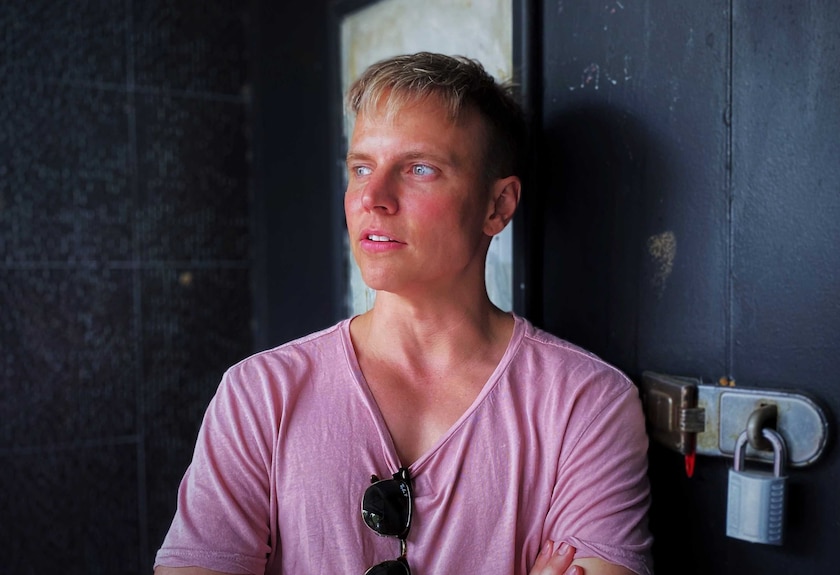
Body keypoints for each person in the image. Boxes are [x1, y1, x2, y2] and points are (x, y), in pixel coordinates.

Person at [153, 52, 652, 575]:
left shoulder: (586, 403)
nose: (373, 197)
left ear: (498, 206)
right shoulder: (260, 394)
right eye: (362, 167)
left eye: (419, 169)